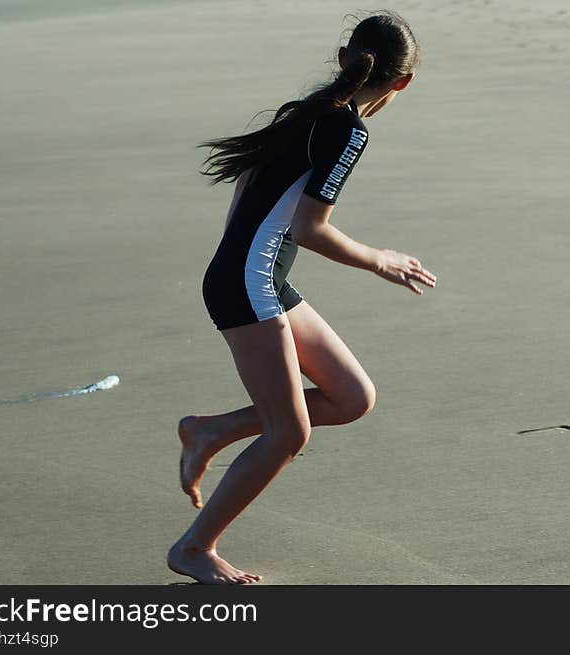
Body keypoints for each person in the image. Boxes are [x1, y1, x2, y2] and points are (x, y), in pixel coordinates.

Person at [167, 11, 435, 584]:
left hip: (253, 277)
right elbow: (312, 228)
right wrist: (379, 259)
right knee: (288, 433)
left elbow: (251, 196)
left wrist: (246, 263)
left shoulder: (305, 114)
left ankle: (211, 430)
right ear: (403, 83)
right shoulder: (348, 130)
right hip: (249, 282)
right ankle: (194, 548)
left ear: (345, 59)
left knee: (351, 396)